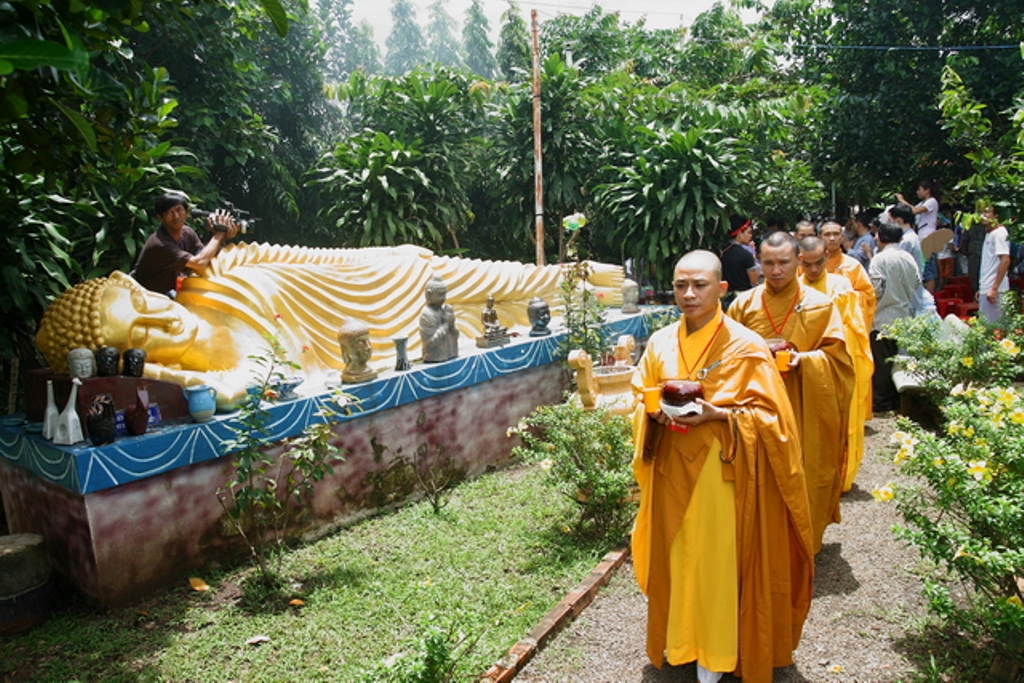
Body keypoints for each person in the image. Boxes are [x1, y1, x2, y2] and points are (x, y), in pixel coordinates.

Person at [36, 244, 624, 408]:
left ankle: (589, 278)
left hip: (370, 278)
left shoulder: (204, 285)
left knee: (504, 281)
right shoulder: (210, 363)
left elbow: (294, 258)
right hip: (370, 324)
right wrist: (167, 374)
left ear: (138, 285)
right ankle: (590, 287)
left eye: (144, 305)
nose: (161, 321)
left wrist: (379, 255)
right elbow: (259, 382)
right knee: (492, 307)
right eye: (141, 335)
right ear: (121, 360)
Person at [631, 249, 813, 683]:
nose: (689, 294)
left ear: (722, 289)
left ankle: (715, 651)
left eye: (700, 285)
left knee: (715, 563)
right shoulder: (660, 342)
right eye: (681, 285)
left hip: (721, 471)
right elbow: (641, 392)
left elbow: (774, 420)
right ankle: (682, 642)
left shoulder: (745, 346)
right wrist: (652, 412)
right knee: (678, 557)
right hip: (672, 468)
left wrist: (720, 414)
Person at [727, 232, 855, 553]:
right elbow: (724, 358)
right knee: (760, 472)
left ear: (798, 261)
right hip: (757, 405)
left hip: (804, 404)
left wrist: (805, 361)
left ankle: (804, 543)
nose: (775, 270)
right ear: (759, 261)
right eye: (768, 263)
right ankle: (761, 543)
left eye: (783, 262)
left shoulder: (820, 305)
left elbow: (839, 362)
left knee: (807, 467)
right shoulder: (743, 305)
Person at [799, 237, 874, 492]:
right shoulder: (793, 289)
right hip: (804, 366)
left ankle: (840, 478)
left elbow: (854, 328)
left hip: (837, 362)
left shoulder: (841, 285)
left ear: (826, 258)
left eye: (818, 263)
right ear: (800, 262)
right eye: (807, 264)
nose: (813, 270)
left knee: (840, 421)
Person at [131, 191, 240, 295]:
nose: (176, 216)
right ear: (160, 217)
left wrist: (223, 236)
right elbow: (199, 263)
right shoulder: (160, 244)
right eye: (169, 212)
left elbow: (206, 257)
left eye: (179, 210)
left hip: (167, 290)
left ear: (186, 213)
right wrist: (219, 235)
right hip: (142, 295)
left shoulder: (188, 233)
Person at [868, 222, 922, 412]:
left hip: (882, 317)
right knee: (899, 361)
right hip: (904, 316)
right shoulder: (908, 258)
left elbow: (875, 288)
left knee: (882, 363)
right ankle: (896, 399)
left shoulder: (879, 259)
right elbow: (917, 282)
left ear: (880, 237)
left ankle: (882, 401)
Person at [820, 220, 877, 331]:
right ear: (820, 237)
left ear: (842, 237)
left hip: (844, 326)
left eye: (836, 234)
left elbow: (868, 297)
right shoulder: (810, 266)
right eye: (827, 235)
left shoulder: (853, 265)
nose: (832, 238)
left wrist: (845, 297)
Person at [896, 179, 940, 291]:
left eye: (919, 189)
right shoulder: (922, 203)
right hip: (922, 238)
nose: (917, 192)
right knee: (924, 269)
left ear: (927, 190)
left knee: (928, 272)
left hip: (928, 238)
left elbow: (914, 211)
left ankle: (930, 297)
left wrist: (902, 200)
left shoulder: (932, 201)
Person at [978, 203, 1011, 323]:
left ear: (996, 216)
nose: (983, 215)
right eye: (982, 212)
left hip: (995, 290)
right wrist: (983, 287)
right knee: (985, 327)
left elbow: (1005, 260)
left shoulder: (999, 233)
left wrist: (994, 288)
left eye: (987, 212)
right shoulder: (990, 233)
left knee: (995, 328)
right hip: (987, 288)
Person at [720, 215, 758, 308]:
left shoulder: (722, 251)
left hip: (724, 298)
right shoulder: (745, 255)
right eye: (749, 232)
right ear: (739, 233)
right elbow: (754, 280)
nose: (751, 236)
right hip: (743, 298)